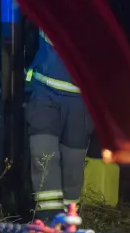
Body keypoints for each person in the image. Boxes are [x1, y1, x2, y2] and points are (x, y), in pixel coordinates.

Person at [25, 27, 93, 222]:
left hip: (81, 98)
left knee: (74, 160)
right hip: (45, 90)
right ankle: (48, 215)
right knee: (43, 152)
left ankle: (69, 216)